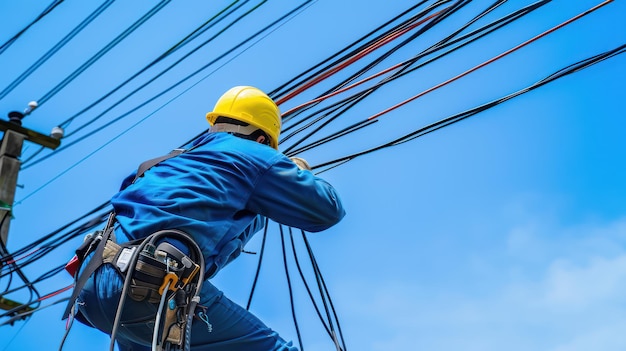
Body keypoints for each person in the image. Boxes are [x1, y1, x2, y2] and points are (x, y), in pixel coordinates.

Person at [71, 86, 346, 351]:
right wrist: (297, 170)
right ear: (262, 140)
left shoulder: (164, 163)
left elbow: (215, 213)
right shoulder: (257, 156)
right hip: (149, 286)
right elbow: (327, 210)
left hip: (92, 289)